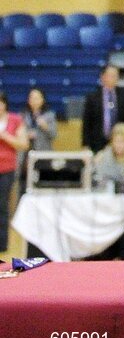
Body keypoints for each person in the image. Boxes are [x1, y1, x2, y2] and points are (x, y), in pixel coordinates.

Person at [0, 91, 29, 261]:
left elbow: (23, 144)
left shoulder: (15, 120)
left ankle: (2, 244)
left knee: (2, 205)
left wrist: (4, 136)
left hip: (6, 168)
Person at [82, 65, 124, 153]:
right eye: (111, 75)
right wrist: (85, 145)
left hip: (120, 143)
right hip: (97, 143)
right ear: (103, 77)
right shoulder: (92, 97)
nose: (114, 78)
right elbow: (87, 123)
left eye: (116, 75)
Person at [19, 87, 58, 191]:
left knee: (44, 184)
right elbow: (18, 134)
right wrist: (27, 134)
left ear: (42, 100)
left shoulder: (50, 115)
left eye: (37, 98)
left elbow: (54, 135)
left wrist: (45, 126)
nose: (34, 100)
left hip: (43, 154)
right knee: (24, 186)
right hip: (26, 155)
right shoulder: (23, 115)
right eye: (32, 98)